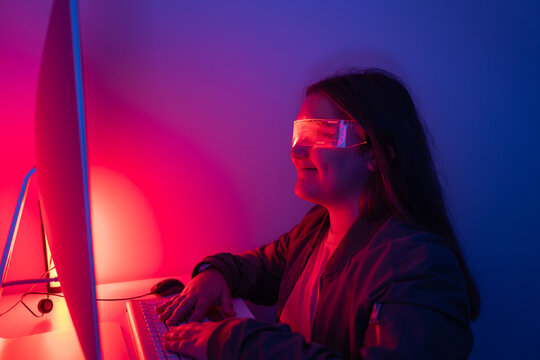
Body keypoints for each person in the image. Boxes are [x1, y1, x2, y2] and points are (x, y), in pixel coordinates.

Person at [156, 68, 480, 360]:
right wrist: (214, 273)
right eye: (299, 132)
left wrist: (240, 342)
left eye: (320, 133)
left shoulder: (420, 268)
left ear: (375, 153)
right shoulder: (317, 228)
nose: (296, 151)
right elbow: (260, 266)